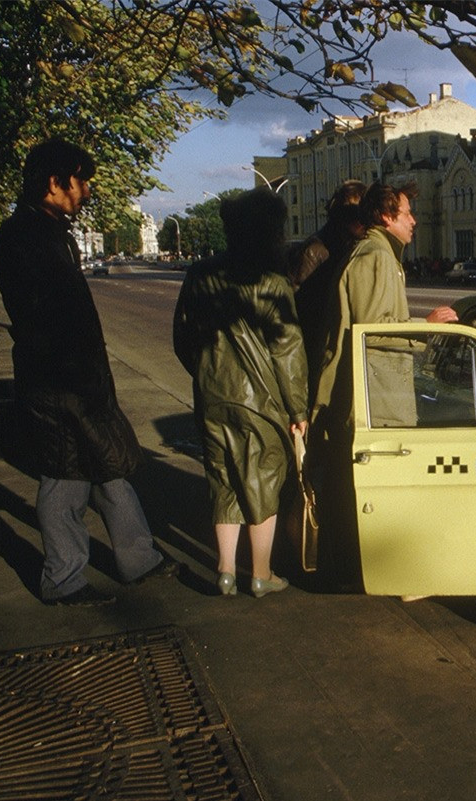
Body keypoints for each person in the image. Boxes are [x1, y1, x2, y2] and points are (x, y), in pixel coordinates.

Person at [0, 138, 178, 606]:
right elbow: (43, 316)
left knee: (108, 465)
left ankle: (138, 559)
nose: (88, 190)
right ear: (55, 182)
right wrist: (74, 374)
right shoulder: (23, 235)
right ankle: (63, 579)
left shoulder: (49, 229)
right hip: (58, 380)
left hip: (79, 377)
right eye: (82, 180)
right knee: (65, 478)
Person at [308, 181, 456, 587]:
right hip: (374, 396)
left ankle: (367, 572)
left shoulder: (380, 254)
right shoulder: (376, 256)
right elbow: (371, 331)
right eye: (407, 213)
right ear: (386, 216)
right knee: (375, 490)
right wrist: (424, 327)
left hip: (377, 391)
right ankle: (381, 575)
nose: (414, 220)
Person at [173, 189, 308, 598]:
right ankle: (262, 573)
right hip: (262, 401)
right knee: (263, 480)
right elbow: (287, 352)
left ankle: (226, 570)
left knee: (223, 478)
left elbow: (182, 337)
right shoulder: (271, 283)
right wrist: (298, 408)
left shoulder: (200, 274)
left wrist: (205, 372)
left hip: (213, 394)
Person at [287, 180, 367, 404]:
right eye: (361, 214)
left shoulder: (349, 246)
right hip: (315, 351)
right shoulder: (316, 250)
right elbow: (294, 309)